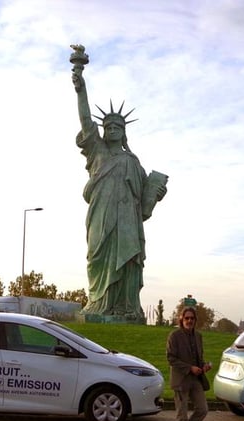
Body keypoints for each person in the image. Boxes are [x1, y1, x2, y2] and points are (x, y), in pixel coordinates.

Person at [71, 45, 166, 322]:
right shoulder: (97, 151)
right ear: (103, 130)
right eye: (109, 127)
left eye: (118, 128)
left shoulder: (133, 162)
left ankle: (125, 307)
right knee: (96, 257)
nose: (112, 130)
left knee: (128, 262)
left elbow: (145, 198)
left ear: (124, 132)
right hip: (101, 217)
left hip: (126, 221)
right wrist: (80, 85)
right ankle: (98, 303)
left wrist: (157, 191)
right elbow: (85, 118)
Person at [166, 307, 211, 421]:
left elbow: (199, 357)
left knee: (203, 409)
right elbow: (171, 358)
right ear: (182, 319)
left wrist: (203, 366)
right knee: (182, 415)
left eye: (192, 318)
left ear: (195, 320)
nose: (189, 321)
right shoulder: (174, 336)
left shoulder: (198, 336)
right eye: (187, 318)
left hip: (195, 379)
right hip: (181, 380)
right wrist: (189, 368)